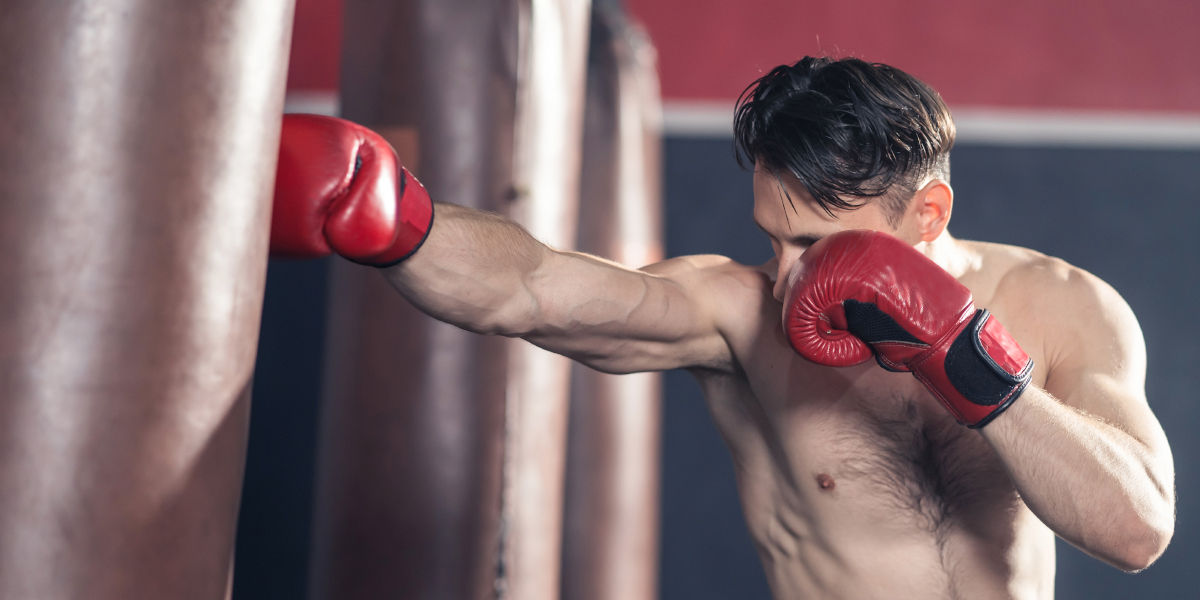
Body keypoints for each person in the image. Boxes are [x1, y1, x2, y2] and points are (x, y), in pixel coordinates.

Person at [271, 56, 1175, 598]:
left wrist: (966, 357)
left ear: (927, 211)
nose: (790, 276)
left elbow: (1136, 531)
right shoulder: (740, 315)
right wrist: (397, 221)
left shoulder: (1063, 306)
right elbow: (537, 289)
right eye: (772, 238)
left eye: (817, 243)